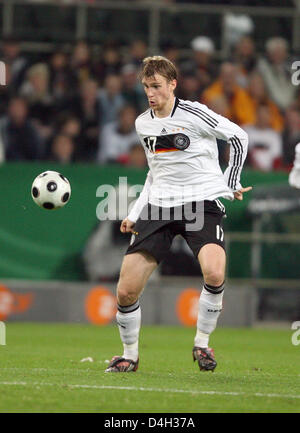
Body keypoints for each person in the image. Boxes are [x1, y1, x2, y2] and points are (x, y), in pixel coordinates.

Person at [105, 56, 251, 374]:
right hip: (160, 206)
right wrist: (135, 212)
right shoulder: (143, 123)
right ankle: (129, 355)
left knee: (214, 273)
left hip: (201, 202)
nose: (150, 93)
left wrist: (231, 181)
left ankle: (202, 344)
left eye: (156, 86)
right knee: (126, 290)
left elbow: (239, 136)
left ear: (173, 84)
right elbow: (153, 172)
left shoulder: (195, 113)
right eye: (146, 87)